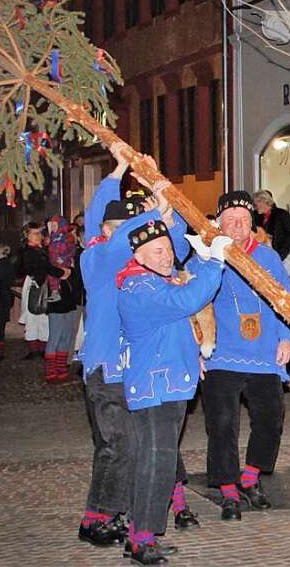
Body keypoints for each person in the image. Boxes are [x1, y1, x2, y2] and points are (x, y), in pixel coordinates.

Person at [118, 217, 229, 564]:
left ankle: (142, 533)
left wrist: (192, 356)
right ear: (138, 255)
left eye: (167, 249)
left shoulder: (153, 281)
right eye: (157, 251)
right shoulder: (140, 287)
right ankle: (141, 540)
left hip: (168, 382)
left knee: (157, 461)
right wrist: (215, 262)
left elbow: (176, 327)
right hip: (156, 387)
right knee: (155, 462)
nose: (167, 256)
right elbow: (188, 300)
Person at [77, 145, 164, 549]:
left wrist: (159, 200)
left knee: (128, 446)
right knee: (118, 445)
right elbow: (104, 218)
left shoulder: (137, 263)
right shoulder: (96, 257)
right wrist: (123, 173)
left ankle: (114, 513)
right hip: (105, 369)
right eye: (119, 228)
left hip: (134, 368)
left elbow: (168, 240)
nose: (127, 236)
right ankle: (96, 518)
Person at [203, 191, 290, 522]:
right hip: (222, 354)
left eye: (243, 219)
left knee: (271, 417)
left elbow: (285, 301)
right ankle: (228, 490)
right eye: (230, 221)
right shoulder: (209, 257)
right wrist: (197, 349)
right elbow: (195, 303)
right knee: (222, 423)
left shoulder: (269, 258)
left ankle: (251, 477)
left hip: (264, 353)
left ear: (252, 223)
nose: (237, 225)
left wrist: (286, 338)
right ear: (219, 224)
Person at [19, 222, 66, 360]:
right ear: (27, 235)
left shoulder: (42, 250)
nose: (38, 236)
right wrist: (61, 273)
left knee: (44, 317)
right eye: (34, 233)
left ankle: (44, 347)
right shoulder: (28, 251)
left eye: (39, 233)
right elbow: (43, 267)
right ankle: (34, 349)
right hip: (35, 284)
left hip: (45, 283)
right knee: (33, 315)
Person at [43, 215, 81, 383]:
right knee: (56, 334)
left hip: (69, 293)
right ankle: (51, 370)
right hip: (57, 296)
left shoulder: (68, 241)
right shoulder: (50, 243)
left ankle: (61, 368)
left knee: (66, 334)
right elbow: (51, 264)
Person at [252, 189, 290, 261]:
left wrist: (280, 255)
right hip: (261, 256)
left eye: (256, 204)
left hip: (281, 256)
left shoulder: (282, 214)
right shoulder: (255, 216)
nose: (255, 207)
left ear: (263, 201)